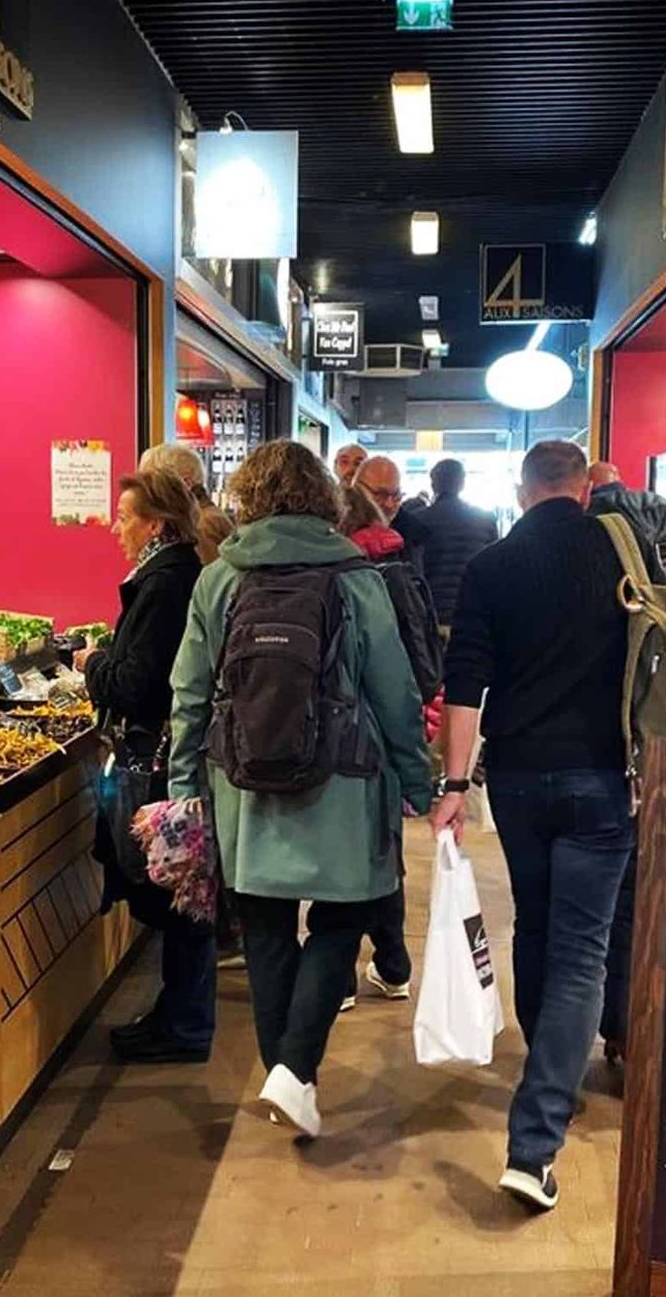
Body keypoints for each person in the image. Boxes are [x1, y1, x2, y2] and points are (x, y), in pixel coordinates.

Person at [169, 441, 432, 1139]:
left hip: (243, 786)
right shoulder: (354, 575)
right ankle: (294, 1068)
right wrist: (421, 779)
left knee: (264, 931)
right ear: (326, 497)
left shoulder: (217, 580)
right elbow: (395, 693)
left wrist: (183, 789)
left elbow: (189, 695)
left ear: (246, 498)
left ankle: (289, 1074)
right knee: (347, 915)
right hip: (344, 783)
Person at [433, 440, 635, 1212]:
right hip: (600, 777)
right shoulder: (622, 559)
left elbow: (465, 685)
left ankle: (548, 1073)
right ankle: (535, 1139)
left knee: (536, 923)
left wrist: (455, 783)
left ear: (522, 492)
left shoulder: (492, 567)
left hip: (517, 778)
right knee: (583, 952)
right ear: (584, 488)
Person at [75, 469, 216, 1063]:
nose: (116, 527)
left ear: (154, 523)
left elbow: (138, 684)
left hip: (159, 761)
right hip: (176, 756)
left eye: (125, 516)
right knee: (182, 893)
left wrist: (92, 662)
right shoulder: (182, 572)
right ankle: (178, 1013)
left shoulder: (163, 584)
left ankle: (185, 1025)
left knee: (175, 894)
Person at [335, 486, 418, 1011]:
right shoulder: (399, 563)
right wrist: (416, 768)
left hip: (339, 739)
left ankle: (339, 979)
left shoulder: (341, 576)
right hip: (384, 736)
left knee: (339, 861)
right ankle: (394, 966)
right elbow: (401, 674)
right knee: (383, 856)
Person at [416, 459, 498, 628]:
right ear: (462, 483)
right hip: (473, 614)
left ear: (433, 485)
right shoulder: (486, 520)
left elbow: (415, 572)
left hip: (432, 616)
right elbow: (495, 567)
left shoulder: (418, 521)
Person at [586, 460, 666, 584]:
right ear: (618, 479)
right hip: (653, 590)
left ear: (590, 484)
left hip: (609, 588)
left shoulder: (588, 508)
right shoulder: (657, 503)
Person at [140, 442, 234, 565]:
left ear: (185, 483)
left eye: (155, 486)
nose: (148, 496)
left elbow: (203, 581)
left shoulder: (200, 525)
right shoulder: (205, 518)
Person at [355, 455, 428, 566]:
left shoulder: (413, 535)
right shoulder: (334, 532)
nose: (389, 504)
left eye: (396, 495)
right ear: (356, 489)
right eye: (380, 494)